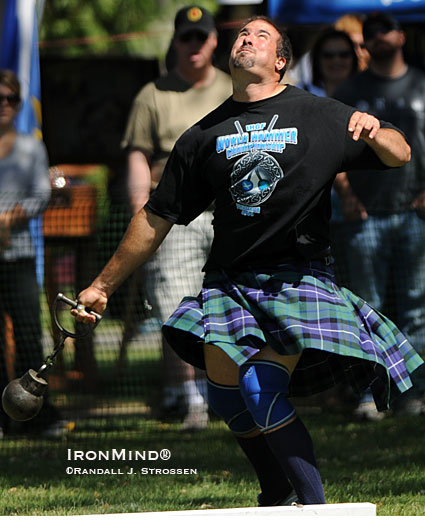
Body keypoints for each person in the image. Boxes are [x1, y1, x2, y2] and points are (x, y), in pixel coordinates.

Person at [73, 16, 422, 506]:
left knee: (259, 387)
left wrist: (374, 131)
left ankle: (315, 508)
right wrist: (103, 286)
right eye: (241, 35)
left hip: (297, 279)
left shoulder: (319, 114)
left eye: (260, 36)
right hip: (228, 283)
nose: (246, 39)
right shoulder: (202, 135)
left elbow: (400, 153)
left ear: (280, 60)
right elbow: (156, 218)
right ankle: (276, 494)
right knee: (225, 397)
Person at [120, 5, 232, 430]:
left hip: (228, 217)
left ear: (213, 41)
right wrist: (141, 213)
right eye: (186, 38)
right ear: (176, 41)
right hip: (174, 219)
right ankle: (193, 401)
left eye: (200, 37)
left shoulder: (231, 88)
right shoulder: (153, 94)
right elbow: (137, 155)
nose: (194, 45)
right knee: (178, 310)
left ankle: (228, 396)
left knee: (226, 312)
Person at [333, 12, 425, 419]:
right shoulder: (350, 90)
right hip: (364, 216)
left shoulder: (423, 84)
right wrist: (347, 194)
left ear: (401, 36)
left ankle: (414, 396)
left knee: (416, 308)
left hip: (414, 215)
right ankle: (373, 396)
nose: (379, 38)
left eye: (385, 31)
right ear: (364, 44)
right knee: (367, 310)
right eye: (371, 35)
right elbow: (331, 150)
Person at [0, 69, 73, 438]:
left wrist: (13, 217)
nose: (4, 106)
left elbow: (41, 195)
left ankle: (36, 416)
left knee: (30, 334)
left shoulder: (31, 145)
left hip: (19, 256)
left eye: (10, 99)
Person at [303, 29, 358, 97]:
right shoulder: (301, 94)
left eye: (343, 54)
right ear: (317, 59)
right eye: (328, 55)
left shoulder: (367, 93)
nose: (336, 61)